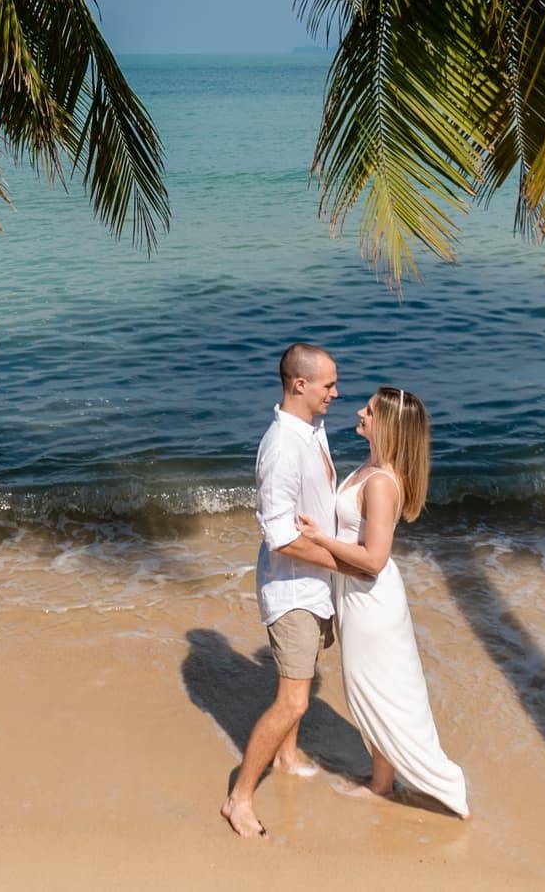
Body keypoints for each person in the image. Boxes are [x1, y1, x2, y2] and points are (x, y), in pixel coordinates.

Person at [294, 385, 470, 818]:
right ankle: (383, 781)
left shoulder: (381, 483)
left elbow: (374, 559)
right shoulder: (370, 469)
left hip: (371, 602)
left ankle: (432, 784)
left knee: (380, 693)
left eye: (370, 411)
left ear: (387, 425)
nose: (360, 411)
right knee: (372, 692)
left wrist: (319, 540)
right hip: (357, 597)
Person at [221, 341, 344, 840]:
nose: (335, 393)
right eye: (328, 385)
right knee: (294, 701)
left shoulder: (312, 429)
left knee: (302, 680)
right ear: (300, 384)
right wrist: (344, 562)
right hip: (293, 590)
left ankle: (287, 757)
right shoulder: (282, 446)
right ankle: (239, 798)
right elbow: (280, 536)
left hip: (315, 585)